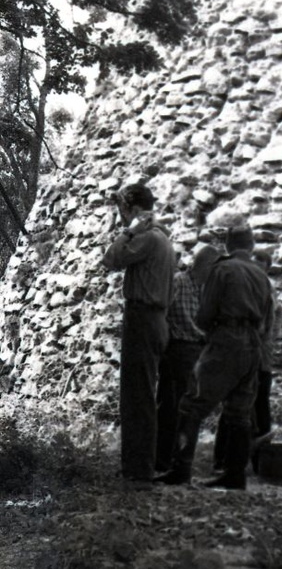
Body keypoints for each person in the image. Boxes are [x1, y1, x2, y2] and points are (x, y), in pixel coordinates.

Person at [156, 223, 272, 490]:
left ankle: (180, 468)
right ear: (251, 246)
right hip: (253, 343)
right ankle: (235, 474)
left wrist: (213, 335)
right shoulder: (261, 274)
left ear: (229, 246)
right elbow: (266, 317)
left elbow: (205, 313)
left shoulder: (223, 269)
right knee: (239, 412)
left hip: (226, 339)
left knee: (191, 405)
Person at [103, 182, 176, 489]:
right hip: (155, 319)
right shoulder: (162, 238)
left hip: (144, 318)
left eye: (122, 212)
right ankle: (140, 467)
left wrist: (129, 230)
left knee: (137, 396)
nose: (120, 218)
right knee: (142, 394)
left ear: (133, 210)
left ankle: (140, 472)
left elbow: (111, 258)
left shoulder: (146, 237)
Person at [212, 250, 282, 473]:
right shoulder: (244, 289)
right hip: (242, 356)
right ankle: (222, 460)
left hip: (260, 358)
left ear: (267, 268)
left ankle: (262, 462)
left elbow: (269, 330)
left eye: (261, 265)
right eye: (255, 264)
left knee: (261, 408)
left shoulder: (270, 295)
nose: (257, 269)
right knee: (232, 407)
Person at [155, 243, 221, 473]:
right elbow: (162, 313)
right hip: (178, 349)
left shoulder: (205, 290)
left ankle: (180, 459)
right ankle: (164, 459)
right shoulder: (179, 282)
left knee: (189, 408)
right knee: (171, 406)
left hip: (198, 352)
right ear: (204, 266)